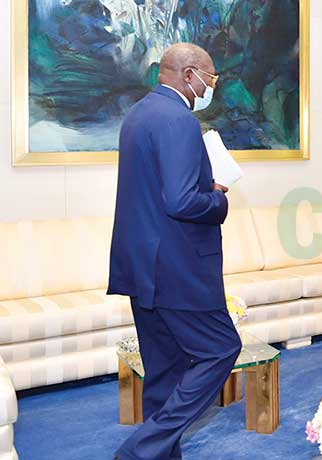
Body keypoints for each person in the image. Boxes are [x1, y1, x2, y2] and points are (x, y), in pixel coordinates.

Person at [107, 43, 241, 460]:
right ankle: (140, 450)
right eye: (211, 78)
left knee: (164, 372)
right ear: (189, 75)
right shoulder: (180, 120)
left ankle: (159, 455)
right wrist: (218, 196)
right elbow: (182, 201)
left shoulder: (138, 115)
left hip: (142, 268)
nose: (211, 86)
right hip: (178, 269)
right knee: (221, 350)